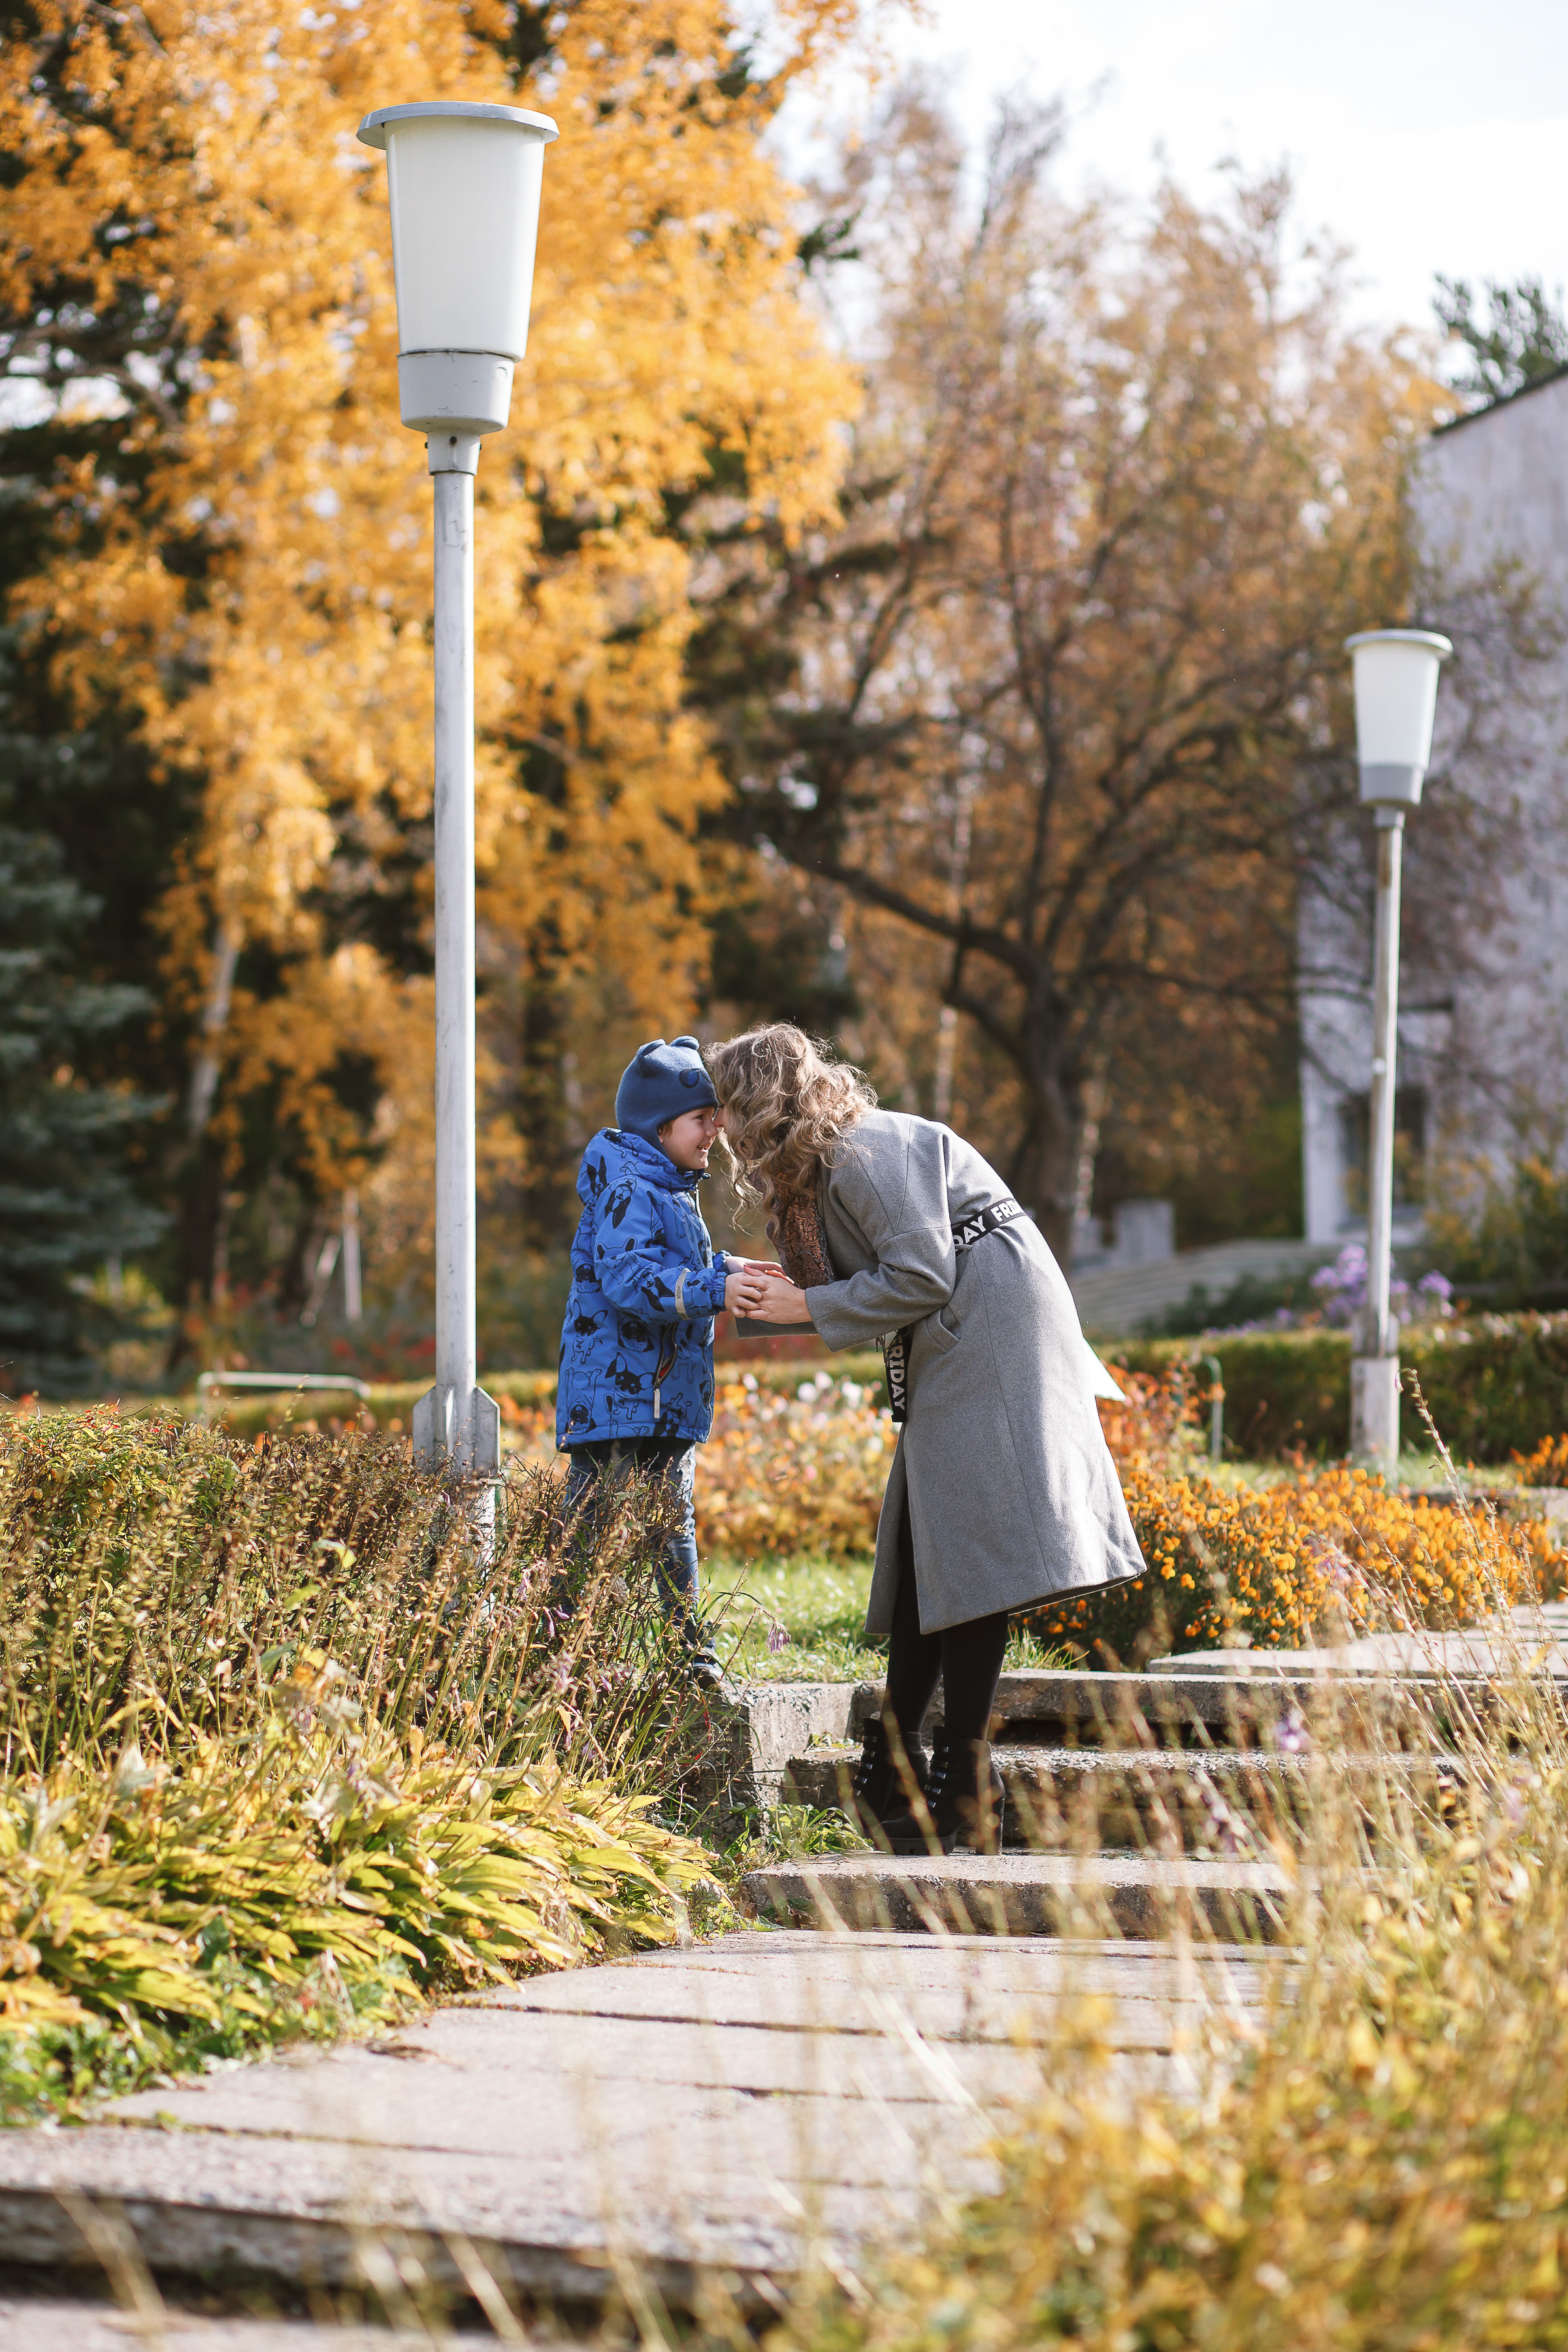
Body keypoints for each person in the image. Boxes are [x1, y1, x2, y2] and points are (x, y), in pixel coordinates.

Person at [706, 1023, 1146, 1852]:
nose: (722, 1129)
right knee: (922, 1544)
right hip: (965, 1323)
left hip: (990, 1322)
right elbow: (847, 1279)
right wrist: (746, 1289)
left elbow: (920, 1273)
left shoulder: (865, 1151)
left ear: (760, 1102)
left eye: (726, 1107)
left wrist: (807, 1308)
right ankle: (896, 1774)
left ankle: (961, 1790)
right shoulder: (828, 1163)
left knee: (971, 1546)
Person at [557, 1036, 767, 1680]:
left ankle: (687, 1651)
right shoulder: (629, 1185)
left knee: (671, 1523)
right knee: (589, 1528)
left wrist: (729, 1270)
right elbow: (627, 1278)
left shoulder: (669, 1184)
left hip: (659, 1399)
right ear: (659, 1125)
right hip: (617, 1400)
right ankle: (558, 1646)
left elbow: (672, 1265)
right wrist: (714, 1288)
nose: (717, 1128)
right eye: (704, 1117)